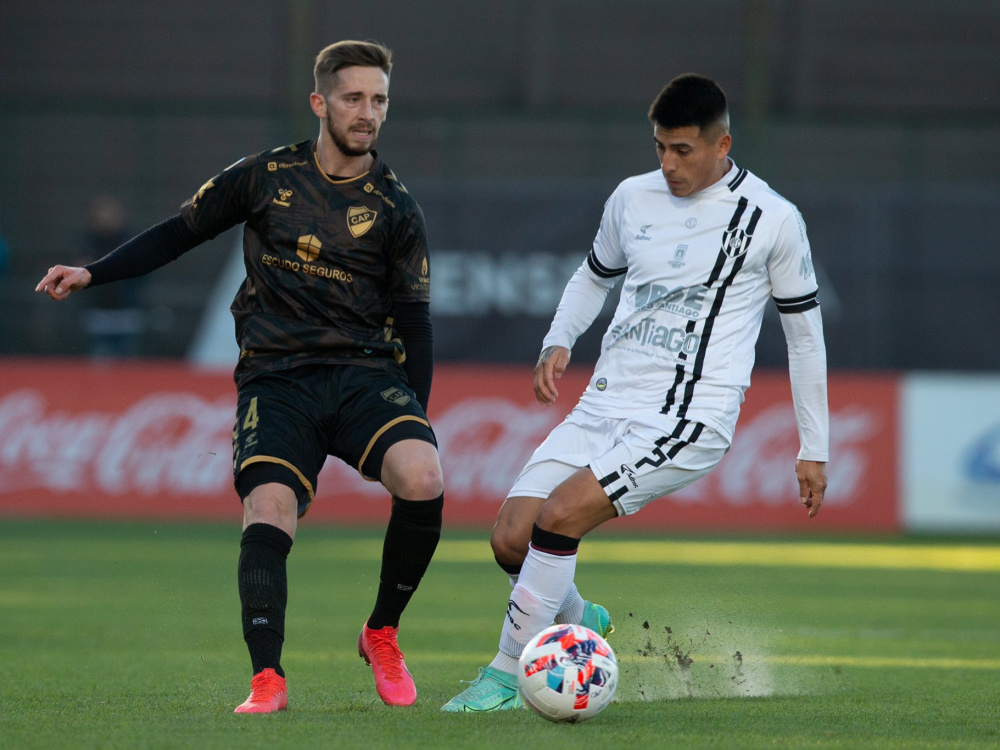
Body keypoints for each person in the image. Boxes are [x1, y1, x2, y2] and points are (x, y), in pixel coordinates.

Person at [36, 40, 444, 713]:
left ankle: (382, 632)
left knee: (424, 475)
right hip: (276, 377)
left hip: (364, 374)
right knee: (270, 509)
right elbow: (178, 231)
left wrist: (418, 415)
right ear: (320, 103)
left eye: (378, 99)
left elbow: (416, 319)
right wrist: (93, 272)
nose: (366, 111)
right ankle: (268, 679)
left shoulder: (397, 206)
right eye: (353, 98)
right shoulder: (264, 176)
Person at [442, 73, 828, 712]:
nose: (668, 164)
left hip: (688, 415)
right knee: (512, 537)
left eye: (683, 150)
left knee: (560, 516)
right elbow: (594, 276)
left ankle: (508, 674)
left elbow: (805, 338)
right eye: (659, 148)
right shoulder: (631, 198)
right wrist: (558, 339)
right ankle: (578, 615)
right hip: (604, 402)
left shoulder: (772, 220)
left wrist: (813, 446)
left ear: (722, 144)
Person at [76, 195, 145, 357]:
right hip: (97, 313)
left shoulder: (131, 239)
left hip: (126, 312)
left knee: (128, 369)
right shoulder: (88, 242)